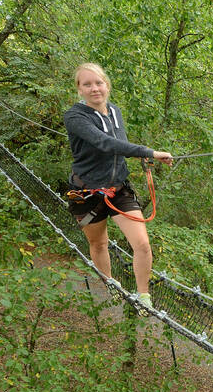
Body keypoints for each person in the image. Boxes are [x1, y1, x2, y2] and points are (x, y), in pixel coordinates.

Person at [64, 62, 173, 310]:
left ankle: (143, 297)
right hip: (87, 193)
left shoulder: (115, 111)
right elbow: (104, 143)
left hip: (118, 188)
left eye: (98, 83)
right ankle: (110, 283)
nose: (94, 89)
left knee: (142, 245)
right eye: (87, 84)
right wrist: (149, 152)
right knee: (99, 243)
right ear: (79, 89)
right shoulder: (74, 117)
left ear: (107, 85)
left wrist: (143, 156)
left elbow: (119, 145)